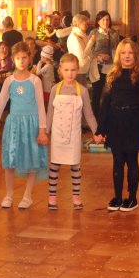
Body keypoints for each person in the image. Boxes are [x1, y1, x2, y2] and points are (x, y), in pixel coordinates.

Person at [0, 41, 49, 209]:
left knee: (31, 158)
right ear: (13, 59)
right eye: (18, 58)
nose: (21, 61)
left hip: (32, 124)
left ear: (30, 58)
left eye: (24, 58)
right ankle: (9, 194)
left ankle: (27, 196)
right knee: (10, 159)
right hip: (14, 125)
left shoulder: (35, 81)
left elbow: (41, 107)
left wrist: (42, 131)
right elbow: (0, 105)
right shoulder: (9, 81)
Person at [98, 39, 139, 212]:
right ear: (118, 55)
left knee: (132, 160)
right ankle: (118, 197)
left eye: (130, 53)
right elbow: (105, 104)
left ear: (136, 55)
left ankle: (132, 198)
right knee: (118, 161)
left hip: (134, 121)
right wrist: (100, 129)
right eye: (123, 53)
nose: (127, 56)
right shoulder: (112, 76)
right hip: (115, 121)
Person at [46, 54, 100, 210]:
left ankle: (76, 198)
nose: (70, 73)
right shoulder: (55, 89)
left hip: (74, 136)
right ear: (60, 70)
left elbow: (88, 114)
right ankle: (52, 198)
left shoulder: (82, 90)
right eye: (66, 70)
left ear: (78, 70)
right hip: (57, 135)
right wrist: (45, 132)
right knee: (54, 166)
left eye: (73, 70)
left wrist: (96, 132)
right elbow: (50, 112)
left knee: (75, 166)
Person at [89, 11, 121, 118]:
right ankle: (96, 117)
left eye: (107, 19)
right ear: (98, 21)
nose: (106, 22)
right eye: (103, 20)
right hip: (98, 66)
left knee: (110, 92)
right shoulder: (94, 33)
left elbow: (117, 48)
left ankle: (109, 115)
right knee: (97, 93)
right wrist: (100, 55)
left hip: (112, 67)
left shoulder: (114, 33)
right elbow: (88, 50)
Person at [66, 13, 98, 89]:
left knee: (83, 92)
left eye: (87, 24)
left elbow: (87, 51)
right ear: (78, 24)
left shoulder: (81, 35)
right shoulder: (74, 37)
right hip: (78, 70)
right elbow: (82, 55)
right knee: (80, 92)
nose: (87, 26)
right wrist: (91, 42)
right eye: (85, 24)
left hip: (82, 70)